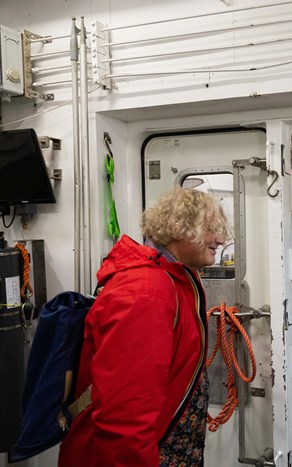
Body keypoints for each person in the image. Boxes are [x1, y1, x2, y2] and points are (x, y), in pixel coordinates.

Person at [58, 188, 228, 467]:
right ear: (179, 228)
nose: (220, 240)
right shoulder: (146, 293)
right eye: (211, 230)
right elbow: (125, 415)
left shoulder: (177, 277)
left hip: (168, 445)